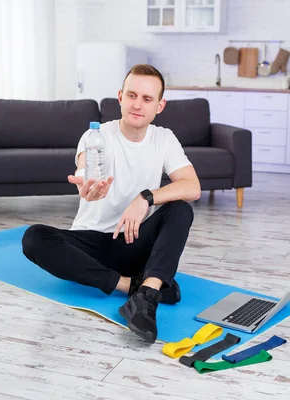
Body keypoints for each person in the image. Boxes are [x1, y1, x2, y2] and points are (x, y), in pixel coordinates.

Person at [21, 64, 201, 344]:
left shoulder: (164, 138)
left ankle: (148, 296)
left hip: (133, 242)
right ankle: (134, 288)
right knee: (33, 238)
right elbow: (85, 169)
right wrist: (87, 186)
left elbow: (192, 187)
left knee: (180, 209)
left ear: (160, 105)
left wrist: (146, 198)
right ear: (120, 97)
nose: (137, 105)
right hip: (90, 246)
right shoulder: (97, 135)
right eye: (131, 95)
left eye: (147, 98)